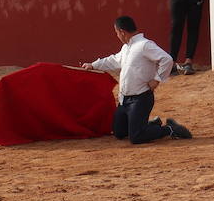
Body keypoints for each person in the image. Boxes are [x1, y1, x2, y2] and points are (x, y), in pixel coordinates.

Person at [80, 15, 192, 144]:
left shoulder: (144, 45)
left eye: (117, 32)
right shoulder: (126, 47)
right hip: (125, 100)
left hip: (140, 99)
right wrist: (93, 65)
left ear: (122, 32)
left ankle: (170, 129)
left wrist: (156, 79)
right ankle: (152, 124)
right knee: (119, 132)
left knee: (136, 137)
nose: (117, 36)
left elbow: (166, 59)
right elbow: (114, 60)